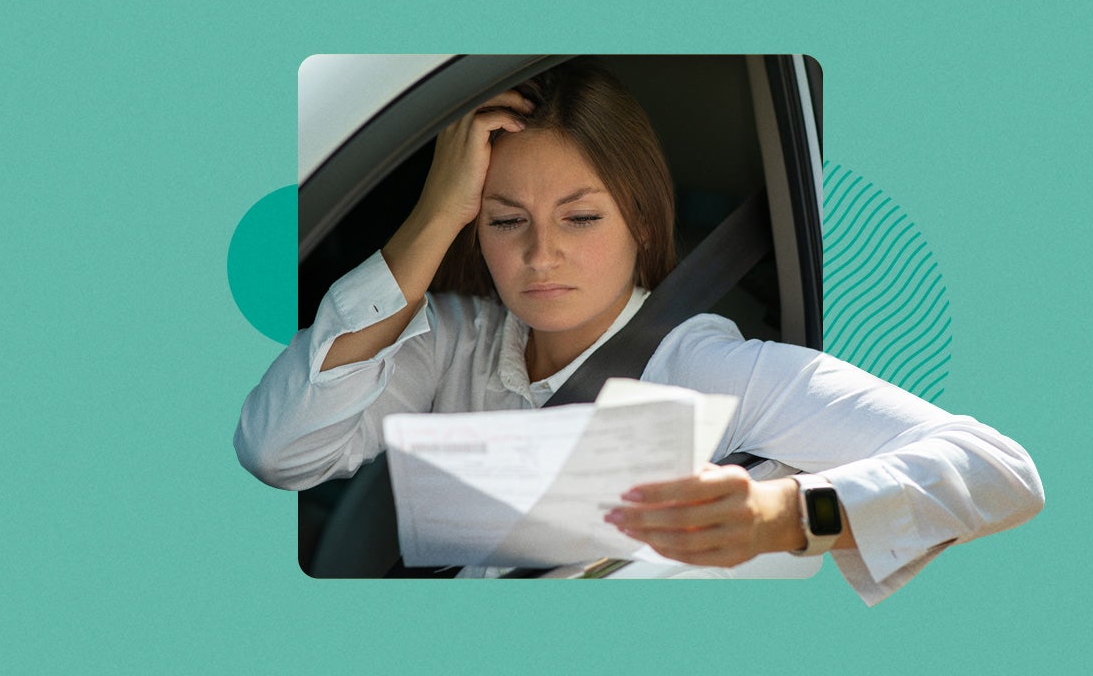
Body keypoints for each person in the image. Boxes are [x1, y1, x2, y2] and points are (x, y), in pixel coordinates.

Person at [235, 59, 1044, 604]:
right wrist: (434, 212)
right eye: (504, 219)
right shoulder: (452, 340)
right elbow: (279, 453)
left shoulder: (706, 366)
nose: (541, 253)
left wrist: (791, 517)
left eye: (580, 217)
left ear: (640, 219)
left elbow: (999, 468)